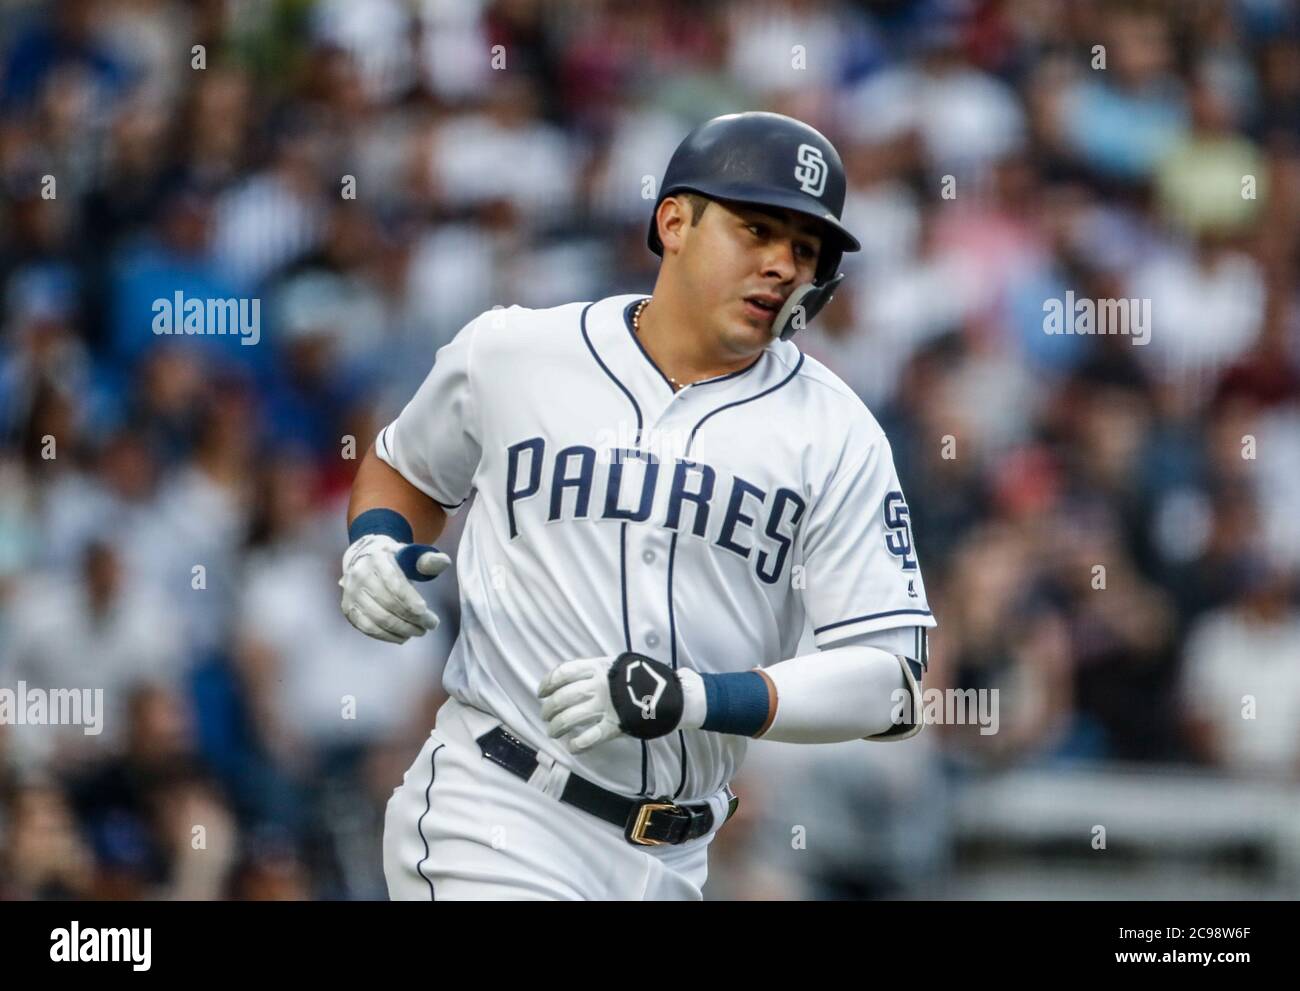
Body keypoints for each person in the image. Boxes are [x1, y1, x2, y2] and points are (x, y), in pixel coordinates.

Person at [339, 112, 937, 900]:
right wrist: (375, 542)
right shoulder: (517, 352)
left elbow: (891, 685)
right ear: (675, 221)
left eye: (804, 249)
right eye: (756, 229)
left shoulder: (837, 432)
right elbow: (404, 469)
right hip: (499, 809)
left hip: (679, 856)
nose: (780, 265)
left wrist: (694, 696)